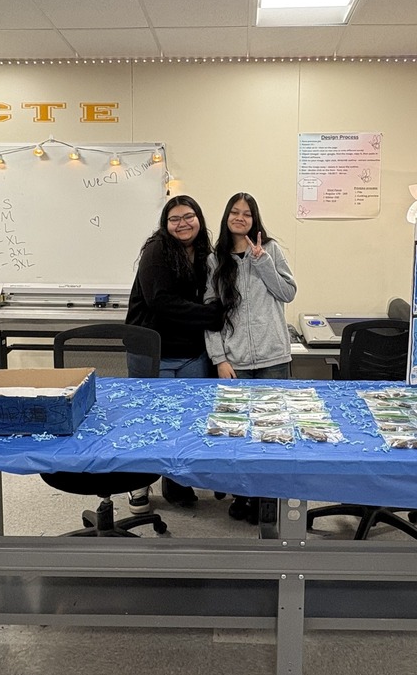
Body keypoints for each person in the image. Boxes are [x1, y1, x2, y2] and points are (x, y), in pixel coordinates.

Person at [125, 195, 224, 510]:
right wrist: (210, 316)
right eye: (175, 219)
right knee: (150, 421)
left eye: (188, 216)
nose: (182, 224)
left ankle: (177, 484)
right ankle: (138, 487)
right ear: (165, 224)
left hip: (192, 351)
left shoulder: (206, 253)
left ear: (199, 218)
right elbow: (161, 301)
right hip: (154, 351)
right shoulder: (157, 251)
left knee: (188, 421)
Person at [205, 192, 297, 521]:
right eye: (235, 212)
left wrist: (263, 263)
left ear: (254, 220)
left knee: (273, 431)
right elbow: (211, 315)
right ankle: (241, 495)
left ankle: (268, 496)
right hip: (236, 361)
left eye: (247, 213)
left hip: (273, 358)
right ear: (227, 217)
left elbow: (287, 292)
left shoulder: (269, 250)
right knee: (238, 433)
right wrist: (219, 358)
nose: (240, 218)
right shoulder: (216, 260)